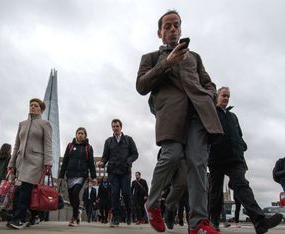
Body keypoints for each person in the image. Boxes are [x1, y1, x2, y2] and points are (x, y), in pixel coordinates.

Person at [136, 10, 224, 234]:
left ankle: (198, 224)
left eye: (176, 25)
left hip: (198, 115)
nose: (173, 29)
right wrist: (167, 62)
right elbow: (141, 85)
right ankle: (152, 203)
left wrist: (209, 95)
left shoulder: (194, 57)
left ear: (181, 28)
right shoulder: (151, 58)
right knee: (172, 155)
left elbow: (208, 82)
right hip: (171, 116)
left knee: (197, 163)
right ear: (159, 32)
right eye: (168, 26)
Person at [207, 87, 283, 234]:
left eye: (228, 96)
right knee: (215, 191)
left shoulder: (233, 116)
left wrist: (242, 147)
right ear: (217, 96)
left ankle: (260, 222)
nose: (226, 98)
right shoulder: (211, 113)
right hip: (216, 158)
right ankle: (214, 221)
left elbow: (240, 135)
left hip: (235, 159)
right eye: (224, 95)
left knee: (242, 186)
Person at [6, 98, 53, 230]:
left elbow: (48, 144)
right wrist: (12, 163)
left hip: (35, 162)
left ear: (41, 109)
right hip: (21, 162)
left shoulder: (45, 124)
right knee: (19, 191)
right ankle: (30, 216)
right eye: (31, 105)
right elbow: (16, 145)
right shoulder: (22, 124)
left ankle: (20, 218)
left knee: (26, 189)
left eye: (35, 106)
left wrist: (48, 163)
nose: (32, 107)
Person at [97, 119, 139, 227]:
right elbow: (105, 156)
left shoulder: (128, 140)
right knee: (114, 194)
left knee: (126, 193)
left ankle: (129, 213)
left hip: (125, 172)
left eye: (117, 126)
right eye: (113, 126)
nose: (115, 128)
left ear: (121, 127)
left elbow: (135, 154)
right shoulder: (108, 141)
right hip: (113, 172)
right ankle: (116, 218)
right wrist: (102, 162)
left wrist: (128, 162)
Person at [58, 127, 97, 227]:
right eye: (78, 133)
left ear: (85, 135)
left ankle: (74, 218)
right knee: (72, 199)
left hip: (81, 175)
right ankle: (77, 212)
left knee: (76, 192)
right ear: (76, 135)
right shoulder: (70, 146)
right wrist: (61, 176)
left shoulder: (88, 147)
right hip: (70, 175)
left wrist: (94, 177)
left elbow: (91, 163)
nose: (80, 135)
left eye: (82, 133)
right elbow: (65, 161)